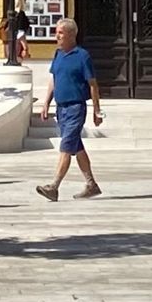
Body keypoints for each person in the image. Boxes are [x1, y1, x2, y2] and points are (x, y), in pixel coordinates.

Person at [35, 18, 102, 200]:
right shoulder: (58, 55)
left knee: (66, 147)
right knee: (76, 146)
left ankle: (54, 187)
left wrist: (97, 111)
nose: (57, 36)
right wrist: (46, 103)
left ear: (72, 35)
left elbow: (93, 85)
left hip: (75, 108)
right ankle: (91, 184)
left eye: (60, 33)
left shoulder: (82, 56)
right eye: (56, 32)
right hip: (61, 109)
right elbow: (54, 80)